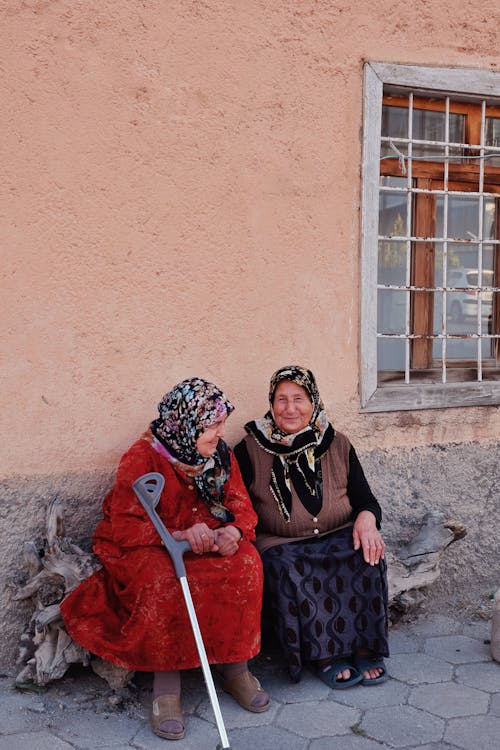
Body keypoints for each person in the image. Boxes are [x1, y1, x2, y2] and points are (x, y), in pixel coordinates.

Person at [62, 378, 269, 741]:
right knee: (164, 581)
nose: (221, 433)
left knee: (245, 565)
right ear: (186, 423)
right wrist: (176, 536)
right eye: (212, 425)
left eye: (221, 424)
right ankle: (166, 687)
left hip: (208, 541)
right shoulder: (141, 457)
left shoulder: (219, 454)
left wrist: (233, 532)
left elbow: (240, 504)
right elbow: (125, 524)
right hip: (151, 545)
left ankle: (236, 668)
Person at [234, 365, 389, 689]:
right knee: (291, 568)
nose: (290, 408)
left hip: (338, 533)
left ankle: (362, 647)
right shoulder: (249, 449)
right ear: (271, 403)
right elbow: (236, 505)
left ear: (313, 401)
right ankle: (325, 655)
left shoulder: (338, 444)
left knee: (366, 556)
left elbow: (366, 500)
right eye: (282, 399)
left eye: (299, 399)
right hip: (280, 543)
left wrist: (366, 520)